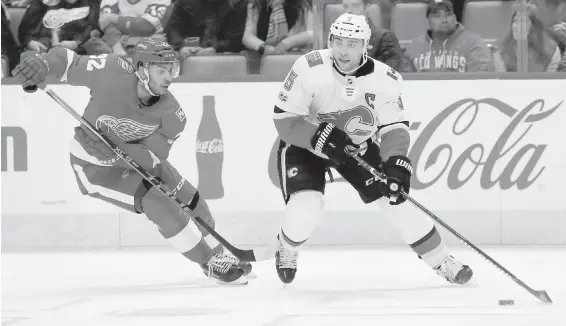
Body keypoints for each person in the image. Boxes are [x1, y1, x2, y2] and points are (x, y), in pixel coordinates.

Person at [11, 38, 253, 285]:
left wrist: (119, 150)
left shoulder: (173, 115)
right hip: (94, 168)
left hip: (131, 160)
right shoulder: (111, 70)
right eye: (162, 70)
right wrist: (40, 62)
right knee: (158, 202)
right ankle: (209, 263)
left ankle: (222, 255)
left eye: (173, 69)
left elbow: (151, 159)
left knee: (193, 200)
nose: (169, 77)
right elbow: (66, 61)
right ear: (141, 69)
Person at [272, 13, 473, 285]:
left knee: (396, 199)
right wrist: (320, 139)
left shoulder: (385, 79)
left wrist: (396, 162)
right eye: (339, 41)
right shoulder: (309, 67)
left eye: (352, 44)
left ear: (365, 45)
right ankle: (288, 247)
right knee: (306, 208)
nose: (344, 50)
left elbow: (394, 128)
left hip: (356, 145)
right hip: (306, 143)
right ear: (330, 40)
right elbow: (285, 121)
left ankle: (441, 260)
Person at [403, 0, 493, 72]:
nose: (444, 20)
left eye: (448, 14)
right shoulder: (414, 47)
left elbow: (481, 80)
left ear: (454, 18)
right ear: (428, 21)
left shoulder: (473, 43)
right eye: (437, 15)